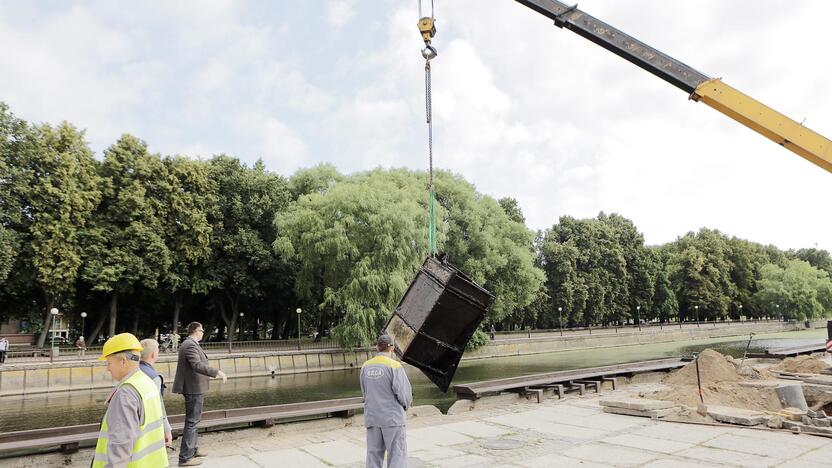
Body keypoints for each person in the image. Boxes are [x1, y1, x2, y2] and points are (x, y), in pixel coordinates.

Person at [92, 333, 169, 468]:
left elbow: (121, 443)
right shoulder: (147, 382)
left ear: (123, 361)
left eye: (109, 363)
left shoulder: (126, 393)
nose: (108, 368)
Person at [173, 322, 226, 466]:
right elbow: (196, 365)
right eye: (202, 330)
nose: (203, 332)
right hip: (193, 388)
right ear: (196, 331)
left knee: (194, 421)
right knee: (192, 422)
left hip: (195, 387)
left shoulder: (190, 344)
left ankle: (192, 450)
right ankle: (185, 458)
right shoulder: (189, 344)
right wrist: (217, 372)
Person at [360, 334, 413, 468]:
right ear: (392, 348)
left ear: (377, 347)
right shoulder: (395, 366)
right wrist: (406, 406)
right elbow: (404, 394)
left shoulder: (365, 366)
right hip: (392, 418)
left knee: (373, 455)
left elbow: (365, 393)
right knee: (396, 454)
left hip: (372, 418)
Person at [139, 338, 173, 449]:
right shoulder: (154, 377)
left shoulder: (134, 371)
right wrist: (166, 428)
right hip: (150, 425)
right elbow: (158, 405)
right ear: (153, 354)